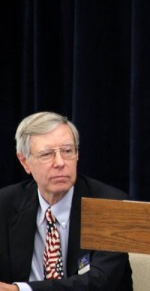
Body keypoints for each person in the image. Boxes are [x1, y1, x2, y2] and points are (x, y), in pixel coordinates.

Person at [0, 112, 133, 291]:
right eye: (47, 154)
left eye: (68, 151)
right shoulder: (6, 204)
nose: (60, 162)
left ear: (77, 155)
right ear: (25, 162)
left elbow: (100, 282)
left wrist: (22, 290)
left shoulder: (110, 205)